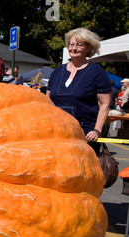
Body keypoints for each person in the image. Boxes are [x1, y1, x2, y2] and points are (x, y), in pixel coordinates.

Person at [47, 27, 111, 156]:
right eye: (71, 44)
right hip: (58, 131)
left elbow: (105, 104)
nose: (74, 48)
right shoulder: (57, 71)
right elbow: (47, 100)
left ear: (88, 48)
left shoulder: (96, 72)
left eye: (79, 45)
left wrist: (96, 130)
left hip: (85, 133)